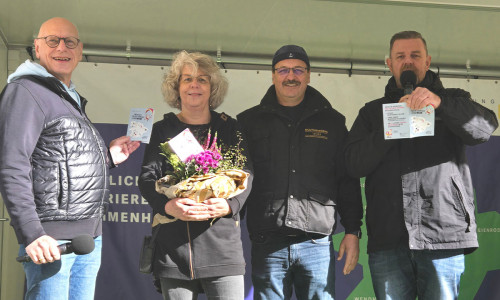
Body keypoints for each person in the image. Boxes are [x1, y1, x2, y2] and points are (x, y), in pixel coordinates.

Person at [344, 31, 499, 300]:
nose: (408, 62)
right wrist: (390, 126)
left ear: (427, 62)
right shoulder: (372, 112)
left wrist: (439, 104)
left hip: (443, 237)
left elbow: (484, 129)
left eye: (415, 55)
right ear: (389, 63)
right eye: (400, 56)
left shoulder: (454, 99)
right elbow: (354, 164)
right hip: (388, 241)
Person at [0, 17, 140, 300]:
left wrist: (108, 158)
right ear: (37, 48)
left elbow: (58, 158)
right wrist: (32, 233)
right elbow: (12, 165)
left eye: (70, 42)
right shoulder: (26, 91)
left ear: (79, 50)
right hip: (51, 239)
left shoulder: (65, 95)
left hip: (86, 239)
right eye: (52, 40)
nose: (61, 47)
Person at [237, 45, 363, 300]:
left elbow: (346, 180)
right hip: (267, 241)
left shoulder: (332, 122)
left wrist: (352, 230)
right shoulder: (248, 122)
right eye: (283, 70)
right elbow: (237, 182)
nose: (290, 76)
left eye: (298, 70)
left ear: (308, 75)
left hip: (316, 242)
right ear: (272, 75)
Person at [138, 50, 253, 300]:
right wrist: (168, 206)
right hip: (174, 250)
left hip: (222, 249)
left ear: (212, 88)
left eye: (202, 79)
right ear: (176, 87)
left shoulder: (230, 128)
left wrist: (229, 205)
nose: (194, 85)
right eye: (187, 79)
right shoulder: (162, 130)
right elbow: (147, 179)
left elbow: (246, 174)